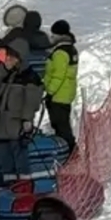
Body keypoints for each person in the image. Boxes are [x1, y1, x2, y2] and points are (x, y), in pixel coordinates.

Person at [43, 22, 79, 150]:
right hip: (66, 93)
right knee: (63, 124)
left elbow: (58, 75)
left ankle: (71, 153)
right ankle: (70, 151)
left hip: (58, 95)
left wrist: (50, 92)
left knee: (61, 127)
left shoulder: (60, 53)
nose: (51, 37)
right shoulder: (71, 49)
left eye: (54, 35)